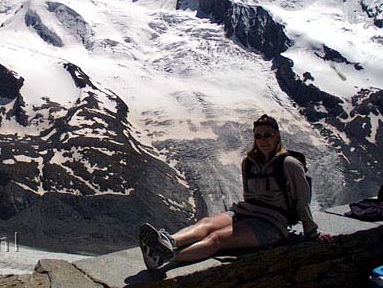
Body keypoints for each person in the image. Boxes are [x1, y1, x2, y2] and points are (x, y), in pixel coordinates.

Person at [139, 114, 334, 270]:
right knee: (206, 223)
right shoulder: (248, 163)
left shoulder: (290, 164)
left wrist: (312, 232)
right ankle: (168, 241)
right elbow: (249, 196)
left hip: (271, 223)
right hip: (245, 212)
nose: (263, 140)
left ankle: (166, 257)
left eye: (268, 134)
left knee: (216, 239)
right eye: (258, 136)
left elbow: (302, 200)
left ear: (277, 136)